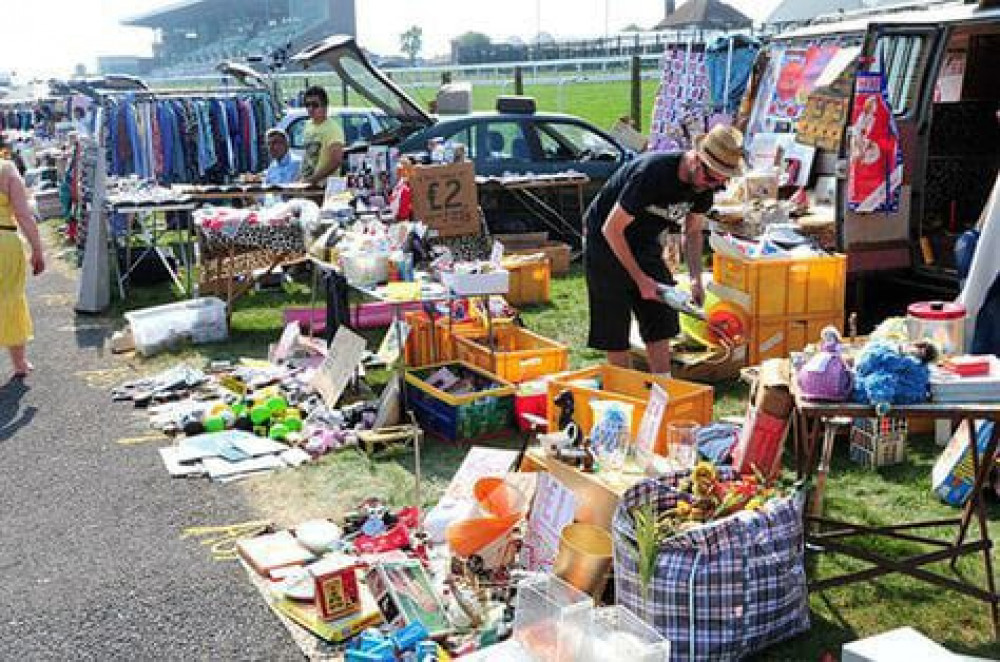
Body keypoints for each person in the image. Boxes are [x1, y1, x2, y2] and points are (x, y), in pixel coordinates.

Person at [583, 124, 743, 375]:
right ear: (695, 159)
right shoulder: (652, 173)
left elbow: (692, 233)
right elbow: (611, 229)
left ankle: (663, 385)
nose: (711, 186)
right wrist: (640, 279)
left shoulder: (704, 189)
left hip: (644, 240)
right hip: (605, 239)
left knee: (660, 314)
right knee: (614, 322)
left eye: (720, 183)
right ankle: (624, 391)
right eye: (711, 177)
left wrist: (695, 279)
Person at [0, 159, 45, 380]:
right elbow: (23, 215)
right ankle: (19, 364)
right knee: (11, 298)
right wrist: (37, 250)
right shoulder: (6, 169)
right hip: (4, 242)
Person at [298, 86, 345, 186]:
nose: (310, 109)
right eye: (307, 105)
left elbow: (336, 160)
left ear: (325, 106)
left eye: (315, 105)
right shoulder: (308, 125)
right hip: (307, 185)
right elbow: (307, 156)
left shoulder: (333, 129)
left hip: (324, 187)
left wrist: (313, 179)